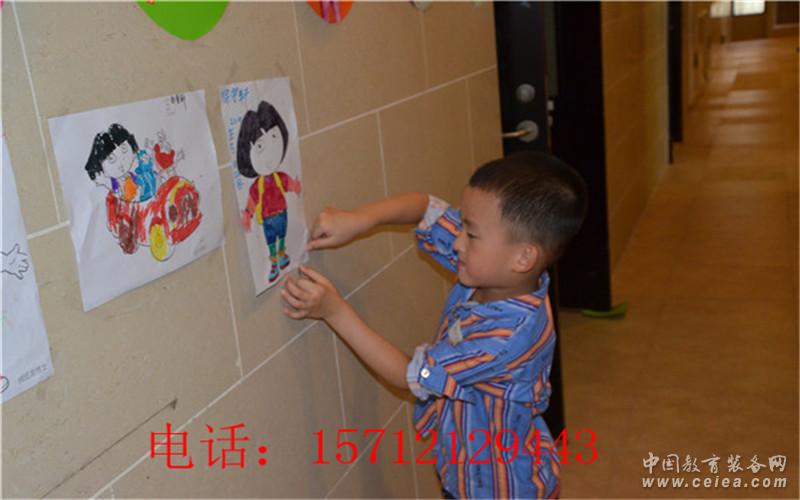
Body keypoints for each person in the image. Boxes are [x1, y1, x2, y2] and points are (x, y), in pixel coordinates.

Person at [282, 151, 588, 499]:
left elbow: (408, 375)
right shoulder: (499, 273)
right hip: (468, 471)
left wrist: (334, 311)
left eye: (471, 234)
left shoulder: (506, 337)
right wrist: (359, 220)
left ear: (523, 257)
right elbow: (425, 208)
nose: (457, 242)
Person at [237, 100, 302, 283]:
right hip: (267, 218)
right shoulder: (257, 186)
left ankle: (281, 255)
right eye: (259, 147)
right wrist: (247, 215)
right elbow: (252, 201)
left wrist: (296, 187)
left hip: (282, 213)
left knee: (282, 236)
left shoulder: (279, 177)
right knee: (271, 241)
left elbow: (289, 184)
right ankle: (274, 263)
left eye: (274, 137)